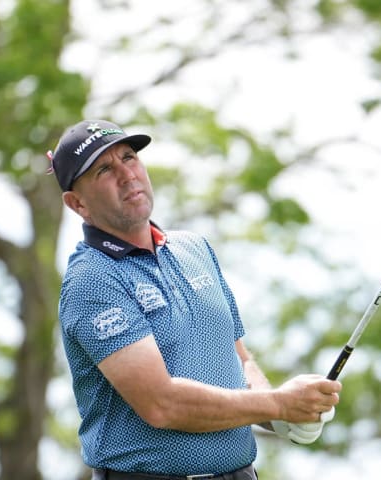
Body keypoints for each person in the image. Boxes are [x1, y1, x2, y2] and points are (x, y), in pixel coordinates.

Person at [48, 120, 342, 480]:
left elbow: (238, 361)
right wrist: (278, 404)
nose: (127, 175)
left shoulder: (194, 248)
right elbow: (161, 404)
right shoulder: (93, 279)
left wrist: (282, 416)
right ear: (77, 203)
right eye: (104, 170)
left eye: (129, 158)